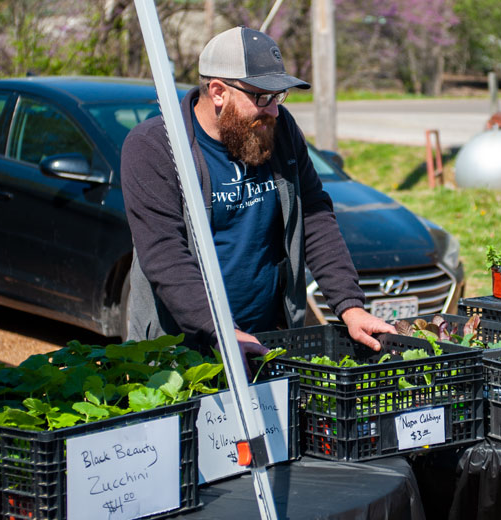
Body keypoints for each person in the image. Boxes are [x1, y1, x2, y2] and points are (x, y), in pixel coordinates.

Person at [121, 26, 395, 367]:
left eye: (279, 96)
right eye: (262, 97)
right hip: (179, 350)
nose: (275, 111)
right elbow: (164, 254)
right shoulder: (155, 146)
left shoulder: (278, 130)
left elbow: (312, 214)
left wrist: (349, 306)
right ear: (219, 91)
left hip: (266, 341)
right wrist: (220, 329)